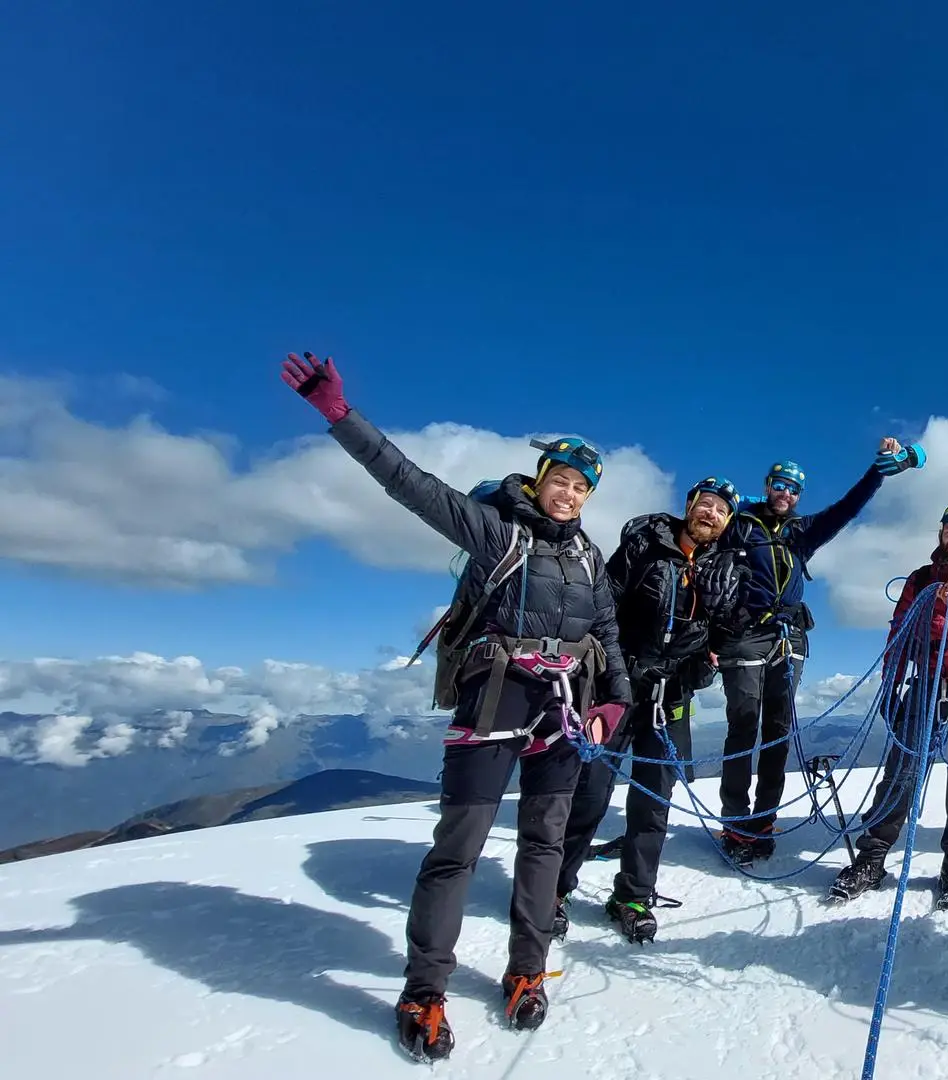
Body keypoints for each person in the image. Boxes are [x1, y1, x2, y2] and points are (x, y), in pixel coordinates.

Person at [277, 352, 632, 1063]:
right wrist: (340, 416)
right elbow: (412, 485)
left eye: (580, 487)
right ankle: (424, 989)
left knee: (544, 847)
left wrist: (615, 700)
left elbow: (607, 634)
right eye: (560, 480)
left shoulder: (590, 560)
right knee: (457, 853)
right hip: (496, 702)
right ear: (539, 481)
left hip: (563, 716)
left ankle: (527, 969)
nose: (568, 494)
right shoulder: (499, 534)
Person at [552, 476, 748, 945]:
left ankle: (634, 895)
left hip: (672, 696)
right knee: (590, 793)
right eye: (706, 504)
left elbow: (722, 639)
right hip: (618, 687)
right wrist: (613, 673)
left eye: (722, 511)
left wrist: (697, 671)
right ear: (689, 505)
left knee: (654, 802)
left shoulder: (726, 570)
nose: (712, 514)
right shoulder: (645, 545)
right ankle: (554, 890)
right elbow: (604, 610)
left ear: (728, 523)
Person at [714, 441, 915, 863]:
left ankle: (763, 820)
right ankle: (735, 823)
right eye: (780, 485)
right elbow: (702, 532)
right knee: (743, 727)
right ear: (768, 486)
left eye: (793, 489)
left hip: (789, 637)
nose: (786, 494)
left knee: (778, 732)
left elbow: (846, 509)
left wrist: (877, 473)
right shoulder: (738, 524)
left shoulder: (800, 532)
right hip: (744, 635)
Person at [827, 500, 948, 909]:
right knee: (901, 772)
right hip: (926, 683)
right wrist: (890, 687)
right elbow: (898, 634)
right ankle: (872, 858)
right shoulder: (921, 580)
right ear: (941, 533)